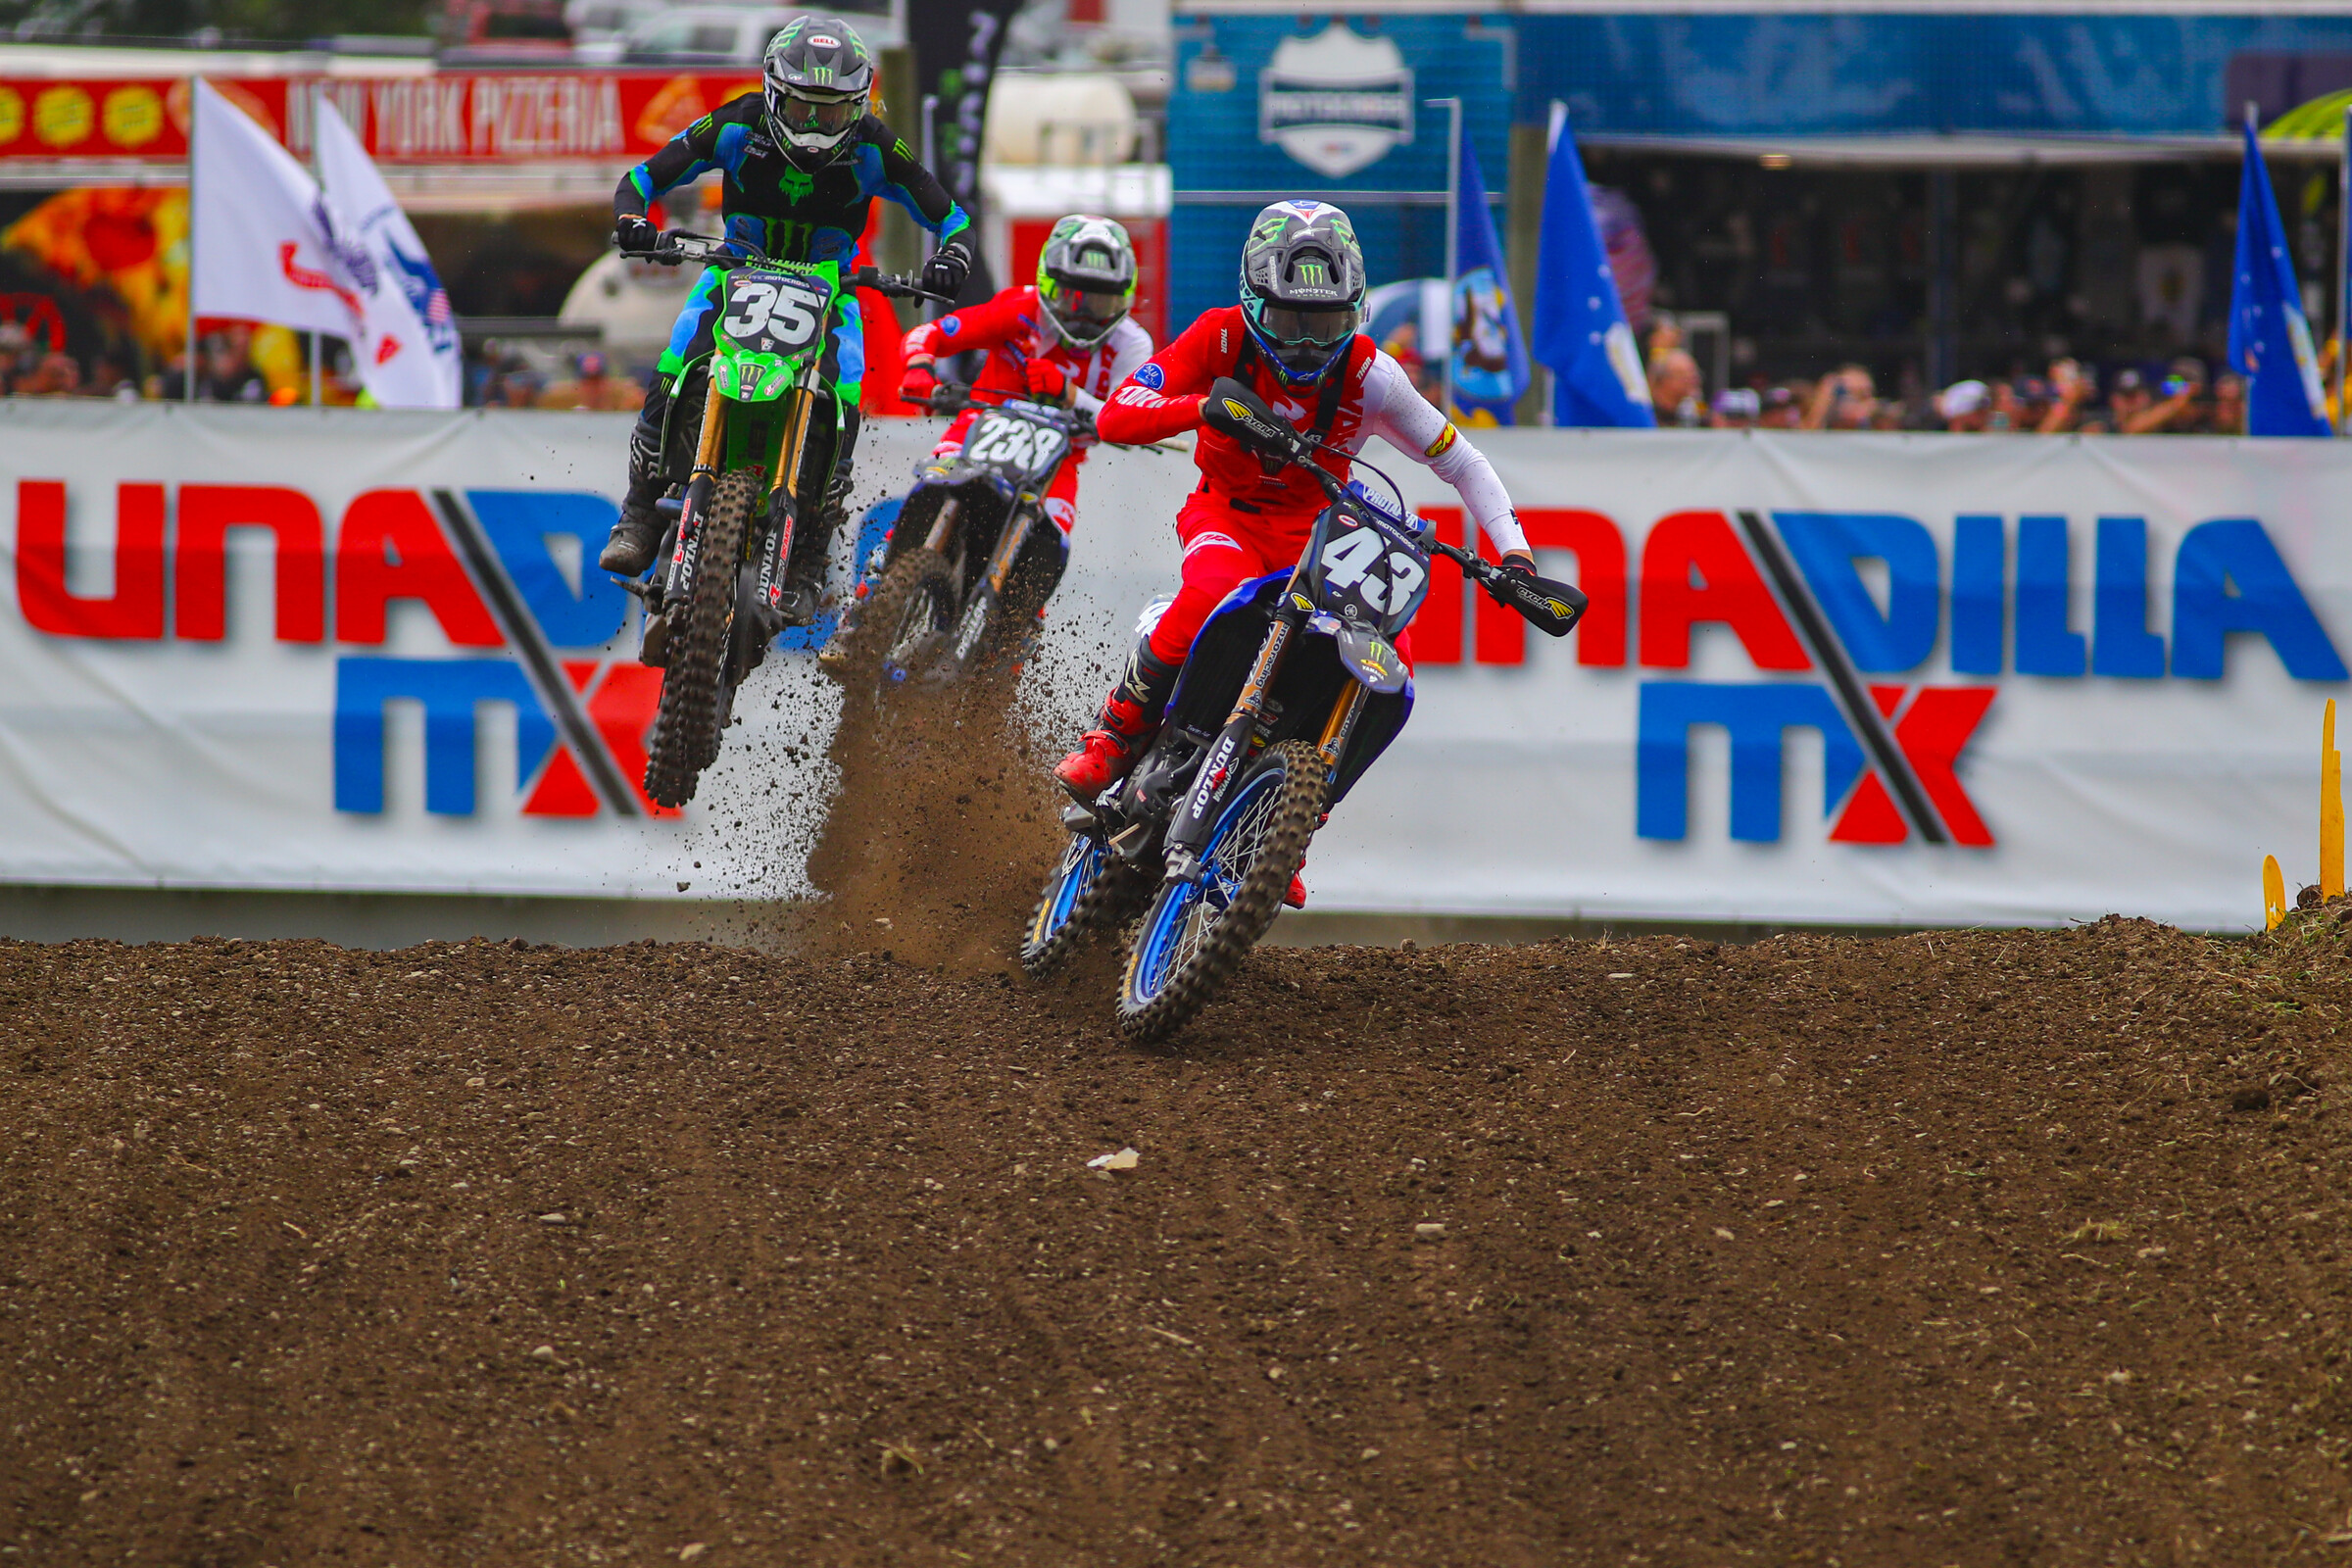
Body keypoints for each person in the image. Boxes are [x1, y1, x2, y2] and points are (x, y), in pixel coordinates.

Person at [1058, 200, 1536, 907]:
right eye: (1291, 321)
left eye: (1328, 323)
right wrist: (1202, 407)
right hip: (1228, 514)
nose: (1309, 344)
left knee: (1390, 661)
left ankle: (1293, 822)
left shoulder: (1375, 374)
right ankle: (1113, 736)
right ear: (1255, 301)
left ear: (1356, 312)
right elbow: (1119, 412)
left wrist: (1516, 556)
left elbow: (1462, 462)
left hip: (1320, 537)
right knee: (1210, 592)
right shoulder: (1219, 339)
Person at [596, 15, 975, 623]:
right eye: (802, 109)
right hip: (734, 271)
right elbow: (642, 179)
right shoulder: (736, 123)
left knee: (844, 391)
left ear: (858, 103)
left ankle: (808, 556)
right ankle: (639, 512)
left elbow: (951, 216)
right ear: (775, 93)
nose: (816, 125)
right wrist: (632, 221)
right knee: (677, 361)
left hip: (829, 287)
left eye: (831, 112)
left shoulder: (876, 146)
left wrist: (952, 258)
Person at [896, 215, 1152, 544]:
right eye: (1073, 297)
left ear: (1124, 299)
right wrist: (919, 367)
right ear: (1049, 283)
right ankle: (881, 580)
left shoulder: (1133, 344)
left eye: (1101, 301)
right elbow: (929, 334)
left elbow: (1131, 423)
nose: (1085, 314)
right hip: (977, 429)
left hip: (1058, 460)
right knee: (929, 490)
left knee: (1050, 541)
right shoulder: (1019, 307)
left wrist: (1068, 393)